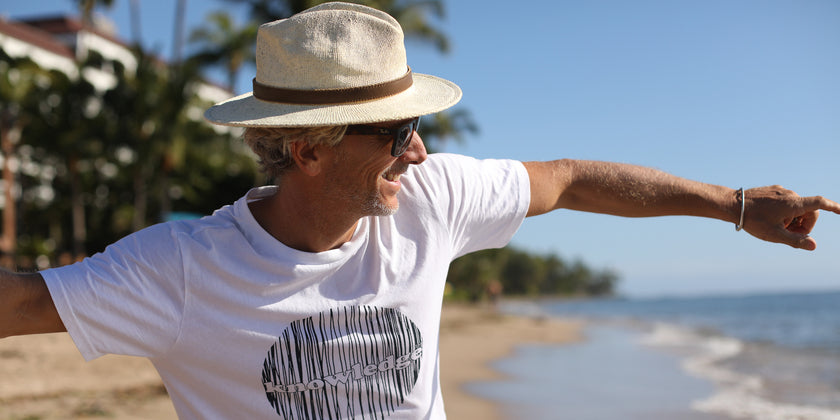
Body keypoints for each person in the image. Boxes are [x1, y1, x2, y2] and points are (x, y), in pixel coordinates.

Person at [1, 2, 838, 419]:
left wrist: (732, 206)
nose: (420, 152)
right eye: (399, 131)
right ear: (311, 149)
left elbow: (572, 178)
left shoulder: (427, 204)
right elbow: (23, 301)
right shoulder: (181, 271)